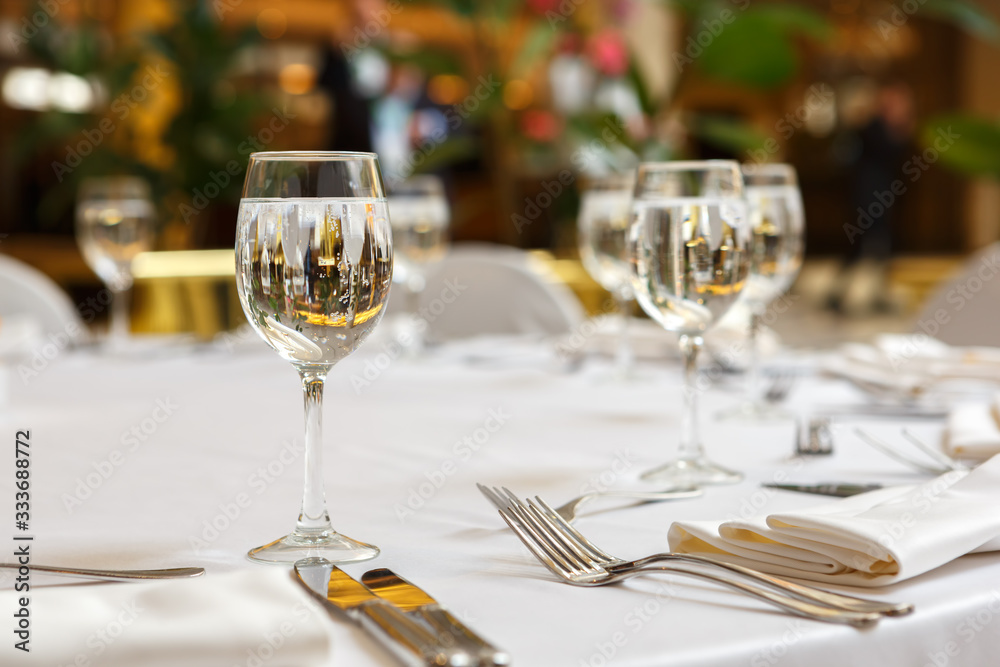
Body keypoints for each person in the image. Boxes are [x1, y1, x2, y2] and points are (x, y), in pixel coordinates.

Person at [826, 79, 915, 314]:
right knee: (862, 243)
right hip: (867, 192)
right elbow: (885, 150)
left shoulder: (889, 126)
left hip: (885, 191)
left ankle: (877, 293)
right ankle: (838, 293)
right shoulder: (872, 126)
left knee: (883, 245)